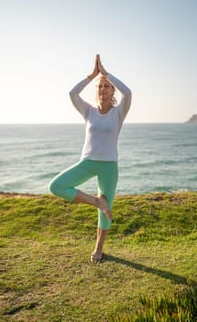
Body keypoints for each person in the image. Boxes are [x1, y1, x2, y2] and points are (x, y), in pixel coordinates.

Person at [49, 54, 131, 262]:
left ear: (113, 90)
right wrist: (91, 76)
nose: (103, 89)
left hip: (109, 166)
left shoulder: (119, 112)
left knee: (106, 211)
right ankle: (96, 201)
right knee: (57, 186)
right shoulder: (88, 111)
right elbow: (72, 93)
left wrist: (106, 73)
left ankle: (99, 249)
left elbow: (128, 92)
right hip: (87, 162)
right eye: (100, 86)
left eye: (107, 86)